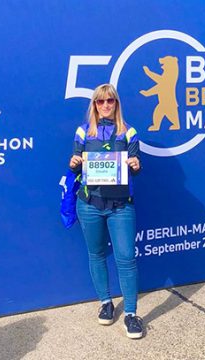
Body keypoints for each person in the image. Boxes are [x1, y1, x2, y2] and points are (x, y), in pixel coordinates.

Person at [69, 83, 143, 339]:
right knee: (97, 254)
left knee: (126, 258)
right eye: (100, 102)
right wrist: (74, 163)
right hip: (89, 205)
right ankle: (105, 302)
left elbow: (135, 166)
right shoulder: (82, 131)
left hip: (121, 206)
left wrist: (135, 164)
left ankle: (131, 314)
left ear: (116, 103)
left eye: (110, 100)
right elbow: (76, 164)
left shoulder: (129, 132)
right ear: (94, 105)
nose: (105, 105)